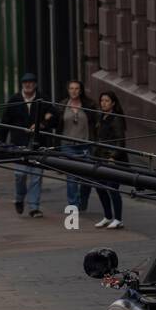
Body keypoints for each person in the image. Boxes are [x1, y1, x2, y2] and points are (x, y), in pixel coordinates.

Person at [0, 72, 52, 217]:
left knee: (36, 175)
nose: (28, 85)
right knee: (20, 174)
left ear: (35, 85)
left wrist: (42, 124)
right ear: (22, 85)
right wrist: (0, 143)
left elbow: (55, 116)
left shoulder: (43, 99)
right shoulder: (14, 100)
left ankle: (34, 207)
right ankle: (19, 198)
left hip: (37, 144)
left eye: (31, 83)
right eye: (25, 83)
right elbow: (5, 122)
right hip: (19, 143)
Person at [57, 79, 99, 212]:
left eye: (76, 88)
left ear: (80, 91)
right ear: (68, 90)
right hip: (68, 145)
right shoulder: (63, 105)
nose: (74, 91)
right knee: (71, 177)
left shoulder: (89, 105)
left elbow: (97, 123)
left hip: (85, 145)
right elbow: (56, 123)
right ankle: (73, 205)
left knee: (87, 176)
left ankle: (83, 199)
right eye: (71, 88)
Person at [92, 91, 128, 229]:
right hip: (100, 157)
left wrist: (114, 156)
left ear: (113, 103)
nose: (103, 103)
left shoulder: (116, 118)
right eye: (102, 100)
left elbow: (121, 140)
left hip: (112, 159)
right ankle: (107, 216)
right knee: (99, 187)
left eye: (107, 101)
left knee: (112, 188)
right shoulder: (101, 116)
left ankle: (118, 219)